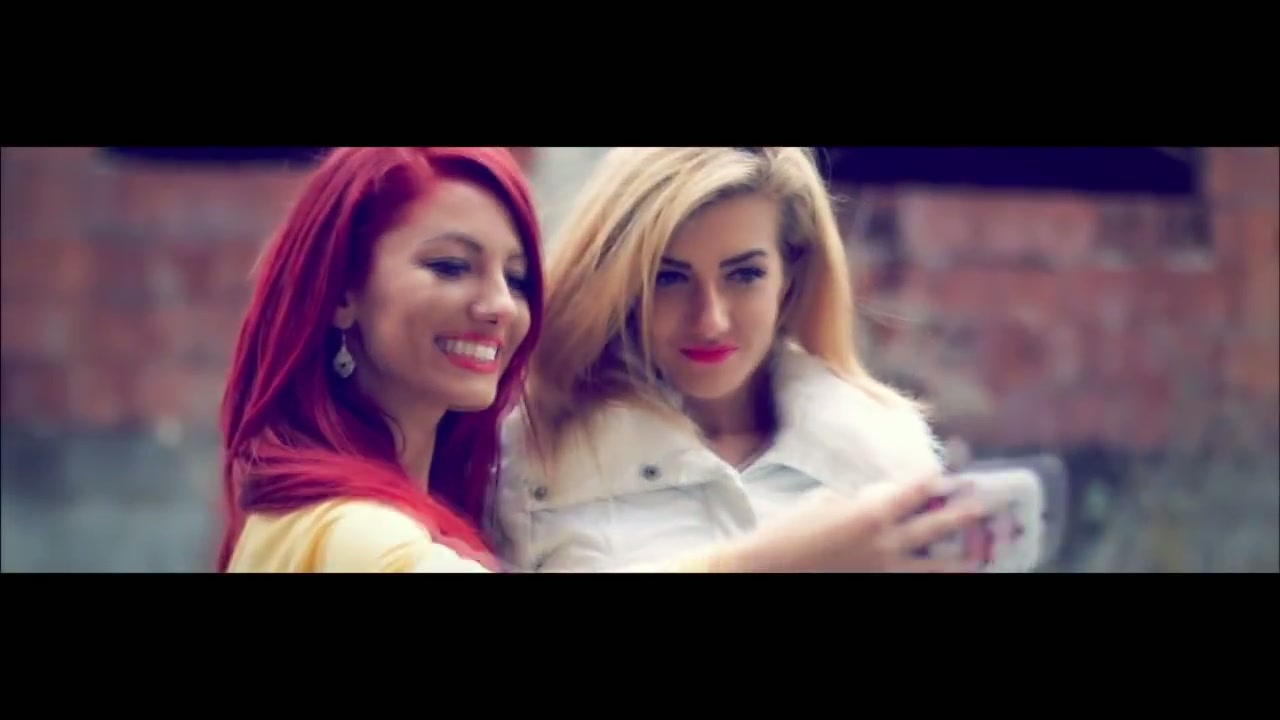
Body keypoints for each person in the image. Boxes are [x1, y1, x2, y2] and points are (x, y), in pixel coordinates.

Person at [219, 146, 986, 573]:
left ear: (793, 276)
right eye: (450, 266)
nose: (497, 306)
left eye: (517, 278)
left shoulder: (885, 459)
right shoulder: (362, 526)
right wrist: (789, 560)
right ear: (342, 292)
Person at [494, 146, 990, 572]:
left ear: (789, 278)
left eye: (745, 275)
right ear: (622, 285)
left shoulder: (886, 458)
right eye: (669, 278)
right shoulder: (527, 459)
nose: (710, 320)